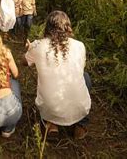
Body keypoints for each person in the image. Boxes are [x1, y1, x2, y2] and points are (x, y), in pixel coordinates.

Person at [24, 11, 91, 140]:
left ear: (47, 27)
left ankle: (51, 124)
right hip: (81, 108)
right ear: (67, 27)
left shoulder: (38, 45)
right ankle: (80, 126)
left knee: (48, 80)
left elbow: (25, 62)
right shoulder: (79, 45)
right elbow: (79, 70)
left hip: (49, 108)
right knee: (85, 77)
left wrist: (29, 49)